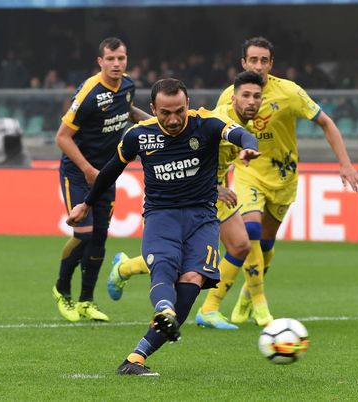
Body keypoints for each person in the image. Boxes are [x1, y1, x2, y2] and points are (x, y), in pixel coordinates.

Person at [67, 78, 259, 376]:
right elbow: (109, 172)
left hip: (203, 217)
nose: (173, 119)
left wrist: (248, 149)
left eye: (179, 111)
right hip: (161, 215)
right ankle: (164, 310)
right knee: (165, 269)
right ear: (153, 109)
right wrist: (87, 204)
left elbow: (242, 135)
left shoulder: (206, 123)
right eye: (165, 113)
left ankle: (135, 359)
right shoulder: (138, 136)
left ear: (188, 105)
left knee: (193, 280)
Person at [107, 71, 266, 331]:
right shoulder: (219, 118)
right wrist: (215, 187)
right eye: (246, 96)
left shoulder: (251, 123)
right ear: (233, 98)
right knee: (183, 259)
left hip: (212, 189)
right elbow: (174, 142)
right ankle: (206, 307)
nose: (252, 102)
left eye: (257, 97)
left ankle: (208, 307)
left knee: (239, 245)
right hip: (196, 191)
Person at [220, 36, 358, 326]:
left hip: (283, 177)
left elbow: (325, 122)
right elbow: (215, 134)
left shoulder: (289, 92)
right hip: (248, 173)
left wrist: (345, 163)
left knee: (267, 244)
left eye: (264, 60)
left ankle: (248, 294)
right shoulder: (228, 96)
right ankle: (261, 304)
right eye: (253, 60)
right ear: (243, 63)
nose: (258, 65)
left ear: (271, 64)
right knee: (251, 231)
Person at [52, 37, 151, 322]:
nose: (117, 64)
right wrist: (86, 169)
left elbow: (128, 111)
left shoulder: (129, 86)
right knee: (83, 234)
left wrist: (152, 123)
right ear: (100, 61)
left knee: (98, 237)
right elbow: (62, 137)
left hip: (107, 172)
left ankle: (86, 300)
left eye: (121, 58)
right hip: (78, 171)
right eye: (111, 59)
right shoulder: (90, 92)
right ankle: (61, 290)